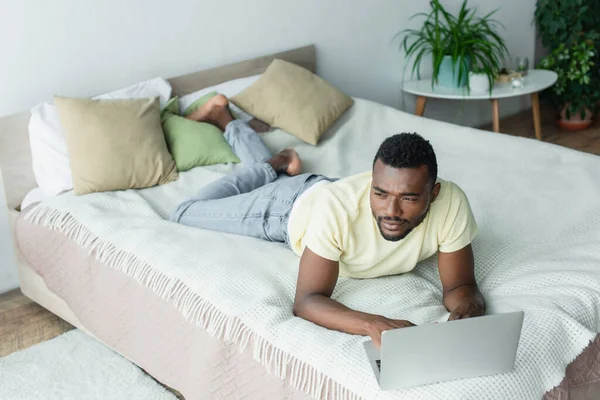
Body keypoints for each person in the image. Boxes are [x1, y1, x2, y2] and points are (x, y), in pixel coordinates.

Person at [170, 94, 485, 347]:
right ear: (371, 182)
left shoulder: (451, 202)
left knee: (286, 184)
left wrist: (467, 309)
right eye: (380, 192)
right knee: (185, 212)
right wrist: (374, 324)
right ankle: (273, 164)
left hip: (326, 191)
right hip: (284, 208)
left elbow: (460, 285)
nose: (391, 210)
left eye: (409, 198)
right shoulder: (337, 209)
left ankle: (224, 117)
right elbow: (308, 301)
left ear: (434, 192)